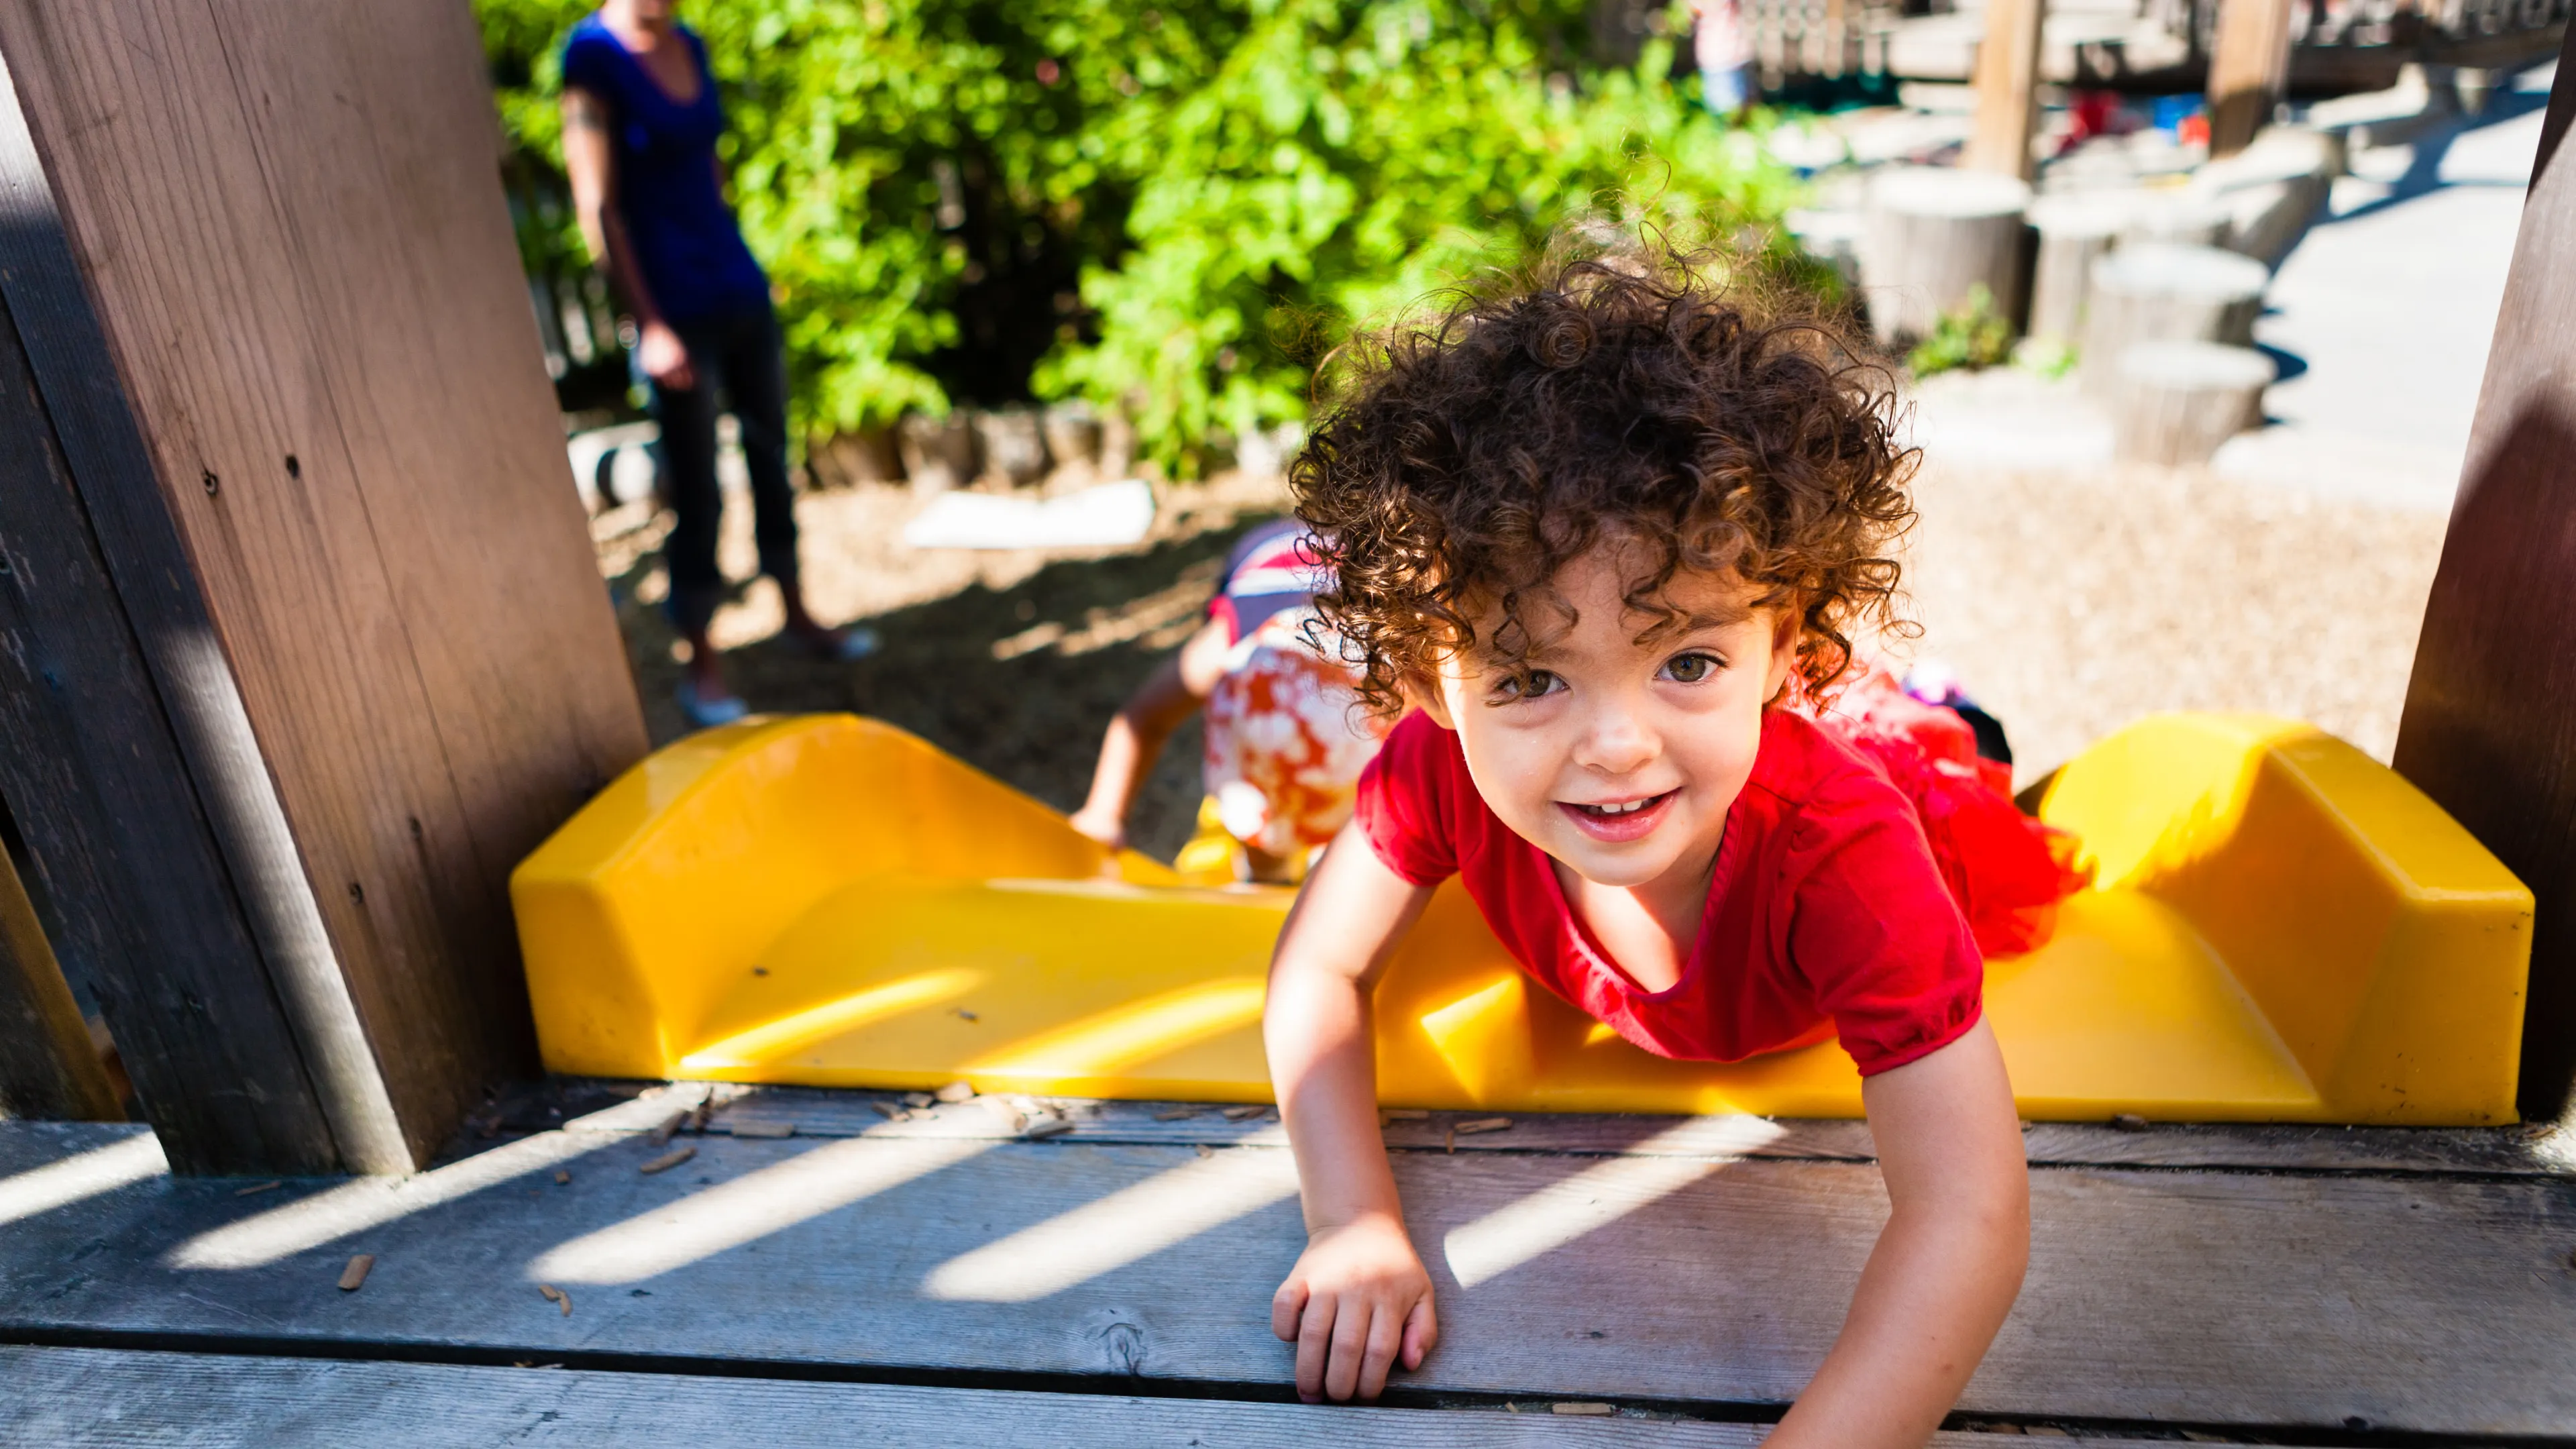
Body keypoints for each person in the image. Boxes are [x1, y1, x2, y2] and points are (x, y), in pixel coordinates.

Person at [1259, 239, 2081, 1438]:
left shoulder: (1849, 857)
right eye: (1531, 677)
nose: (1616, 745)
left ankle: (1915, 698)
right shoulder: (1438, 768)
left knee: (1960, 751)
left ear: (1783, 643)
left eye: (1687, 661)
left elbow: (1970, 1213)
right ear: (1434, 683)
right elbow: (1318, 971)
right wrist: (1351, 1219)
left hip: (1914, 796)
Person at [560, 0, 872, 729]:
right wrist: (649, 324)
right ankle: (701, 661)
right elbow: (596, 205)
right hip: (672, 310)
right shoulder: (592, 60)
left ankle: (796, 612)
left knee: (771, 456)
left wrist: (736, 254)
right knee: (696, 485)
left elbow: (707, 162)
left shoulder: (689, 44)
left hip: (736, 289)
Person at [1069, 519, 1388, 884]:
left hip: (1353, 572)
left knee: (1344, 852)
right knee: (1261, 823)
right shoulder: (1221, 648)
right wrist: (1104, 814)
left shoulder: (1401, 667)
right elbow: (1143, 720)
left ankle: (1316, 857)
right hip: (1264, 563)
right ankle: (1266, 873)